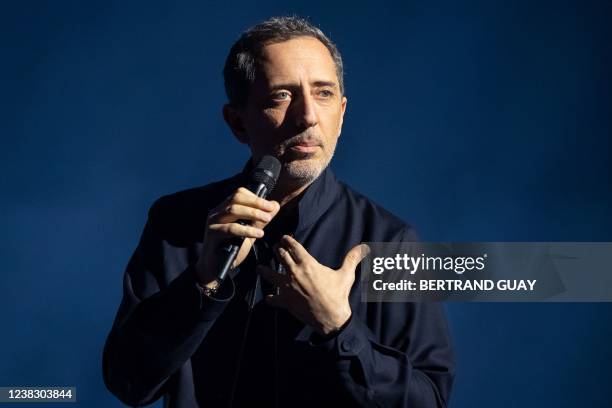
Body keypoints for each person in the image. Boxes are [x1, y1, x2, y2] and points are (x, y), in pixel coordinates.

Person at [103, 16, 455, 407]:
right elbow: (128, 383)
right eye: (281, 96)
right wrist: (202, 283)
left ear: (341, 112)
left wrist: (338, 328)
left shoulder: (392, 243)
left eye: (323, 94)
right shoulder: (177, 223)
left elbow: (429, 402)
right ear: (238, 122)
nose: (307, 117)